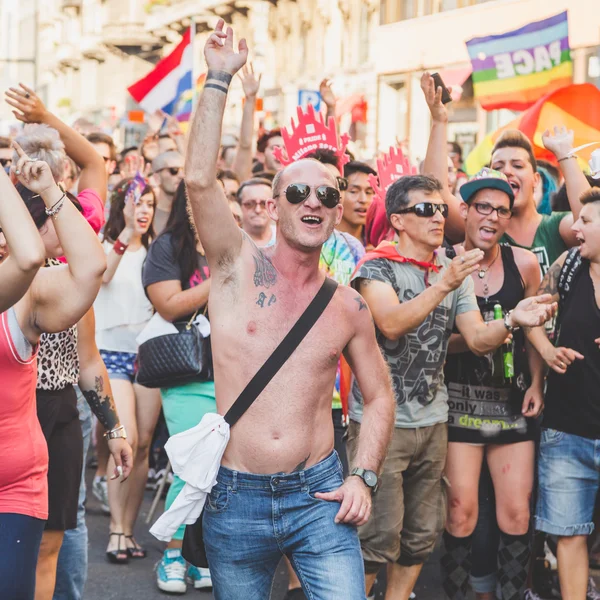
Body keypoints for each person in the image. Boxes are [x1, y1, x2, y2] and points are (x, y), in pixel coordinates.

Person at [184, 21, 395, 599]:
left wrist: (364, 476)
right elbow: (200, 180)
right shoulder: (234, 268)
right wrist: (219, 79)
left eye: (327, 194)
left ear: (335, 212)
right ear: (273, 206)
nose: (314, 201)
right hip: (236, 495)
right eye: (297, 192)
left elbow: (378, 396)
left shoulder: (348, 305)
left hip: (320, 494)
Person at [350, 174, 555, 600]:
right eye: (426, 209)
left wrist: (514, 319)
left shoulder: (450, 271)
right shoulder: (376, 267)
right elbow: (391, 323)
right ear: (398, 220)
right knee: (375, 539)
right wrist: (445, 283)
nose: (438, 216)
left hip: (433, 418)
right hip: (380, 423)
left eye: (441, 209)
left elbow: (478, 341)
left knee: (421, 536)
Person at [0, 146, 128, 600]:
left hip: (50, 418)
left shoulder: (52, 286)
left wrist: (113, 427)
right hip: (23, 409)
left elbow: (88, 360)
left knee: (54, 541)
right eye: (57, 216)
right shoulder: (21, 279)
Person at [440, 169, 544, 600]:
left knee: (517, 514)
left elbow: (537, 331)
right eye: (483, 206)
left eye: (502, 210)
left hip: (512, 403)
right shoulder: (443, 262)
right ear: (464, 210)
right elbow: (431, 341)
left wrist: (538, 382)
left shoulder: (524, 263)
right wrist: (479, 338)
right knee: (460, 513)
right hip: (456, 404)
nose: (492, 217)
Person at [525, 187, 600, 600]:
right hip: (567, 431)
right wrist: (547, 351)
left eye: (586, 221)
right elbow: (530, 315)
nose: (575, 227)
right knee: (569, 535)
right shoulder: (567, 265)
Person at [143, 180, 214, 593]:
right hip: (187, 374)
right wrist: (221, 276)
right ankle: (172, 553)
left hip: (234, 371)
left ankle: (200, 554)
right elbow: (167, 304)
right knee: (192, 467)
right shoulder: (168, 247)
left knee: (222, 472)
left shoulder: (233, 243)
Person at [94, 177, 161, 563]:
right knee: (127, 437)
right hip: (110, 355)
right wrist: (124, 234)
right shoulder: (105, 245)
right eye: (136, 201)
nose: (144, 209)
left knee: (145, 443)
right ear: (121, 205)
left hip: (148, 355)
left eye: (149, 203)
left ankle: (130, 530)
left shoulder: (158, 250)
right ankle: (116, 530)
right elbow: (102, 275)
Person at [339, 161, 377, 244]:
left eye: (369, 192)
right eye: (354, 191)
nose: (363, 200)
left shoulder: (380, 243)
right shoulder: (321, 244)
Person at [151, 151, 184, 235]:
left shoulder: (191, 214)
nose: (181, 175)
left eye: (184, 170)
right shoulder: (148, 213)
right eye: (174, 170)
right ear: (156, 177)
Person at [237, 177, 276, 246]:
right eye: (250, 204)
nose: (258, 210)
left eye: (264, 204)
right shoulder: (230, 242)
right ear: (239, 206)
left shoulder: (286, 239)